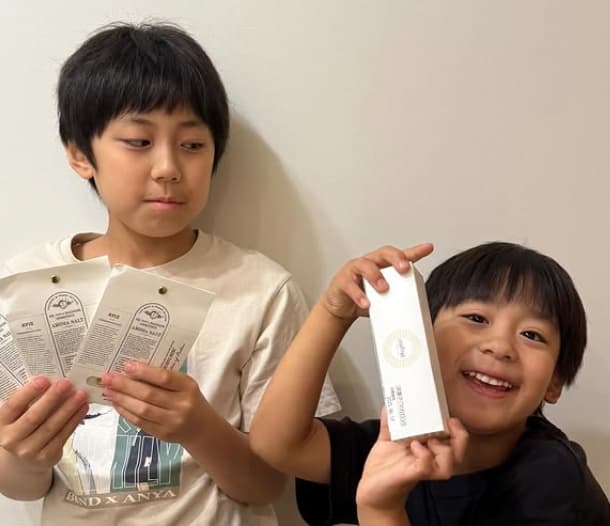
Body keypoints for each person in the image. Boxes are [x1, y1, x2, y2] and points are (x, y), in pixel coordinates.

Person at [0, 22, 339, 525]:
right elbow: (22, 486)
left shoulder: (260, 290)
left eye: (193, 145)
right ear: (79, 154)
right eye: (138, 141)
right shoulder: (24, 285)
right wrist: (26, 454)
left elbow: (267, 485)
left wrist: (199, 428)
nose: (168, 168)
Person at [250, 243, 610, 525]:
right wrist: (333, 313)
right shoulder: (396, 445)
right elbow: (278, 443)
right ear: (423, 335)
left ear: (554, 382)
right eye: (476, 318)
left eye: (532, 335)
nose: (499, 346)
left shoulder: (553, 476)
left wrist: (382, 511)